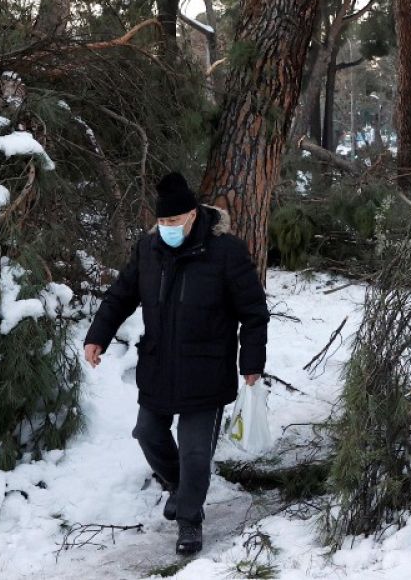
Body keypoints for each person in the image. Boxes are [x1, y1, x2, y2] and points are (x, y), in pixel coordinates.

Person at [82, 172, 269, 557]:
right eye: (161, 222)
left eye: (174, 222)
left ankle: (189, 519)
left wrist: (251, 362)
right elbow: (121, 296)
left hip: (207, 369)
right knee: (147, 434)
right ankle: (180, 489)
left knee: (196, 452)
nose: (167, 228)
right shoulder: (148, 249)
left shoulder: (226, 252)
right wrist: (97, 335)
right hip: (159, 366)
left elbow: (253, 313)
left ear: (193, 215)